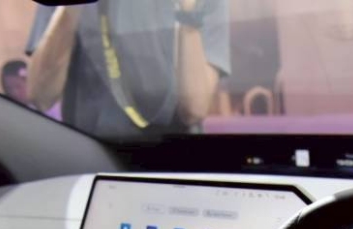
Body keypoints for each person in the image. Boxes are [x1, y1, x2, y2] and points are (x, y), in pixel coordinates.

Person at [29, 0, 230, 138]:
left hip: (173, 153)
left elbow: (194, 109)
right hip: (91, 152)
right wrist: (70, 8)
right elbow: (40, 96)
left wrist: (187, 15)